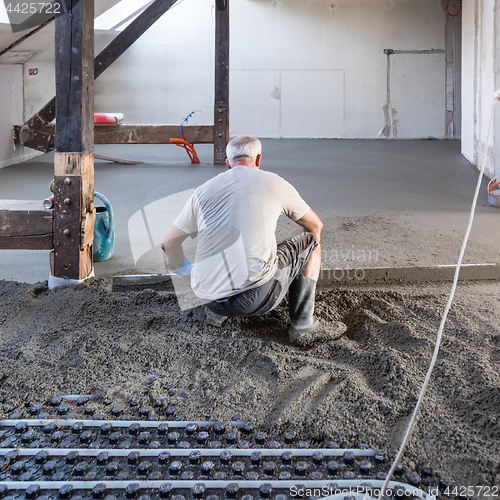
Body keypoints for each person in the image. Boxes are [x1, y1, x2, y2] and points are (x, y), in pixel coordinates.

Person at [161, 136, 346, 347]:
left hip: (209, 300)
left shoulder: (202, 191)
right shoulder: (274, 182)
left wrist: (194, 274)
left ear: (228, 162)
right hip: (255, 299)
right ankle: (304, 324)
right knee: (311, 241)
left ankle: (219, 312)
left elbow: (168, 244)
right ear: (258, 160)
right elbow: (315, 226)